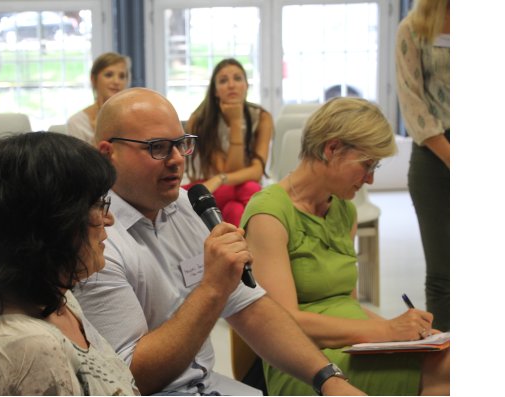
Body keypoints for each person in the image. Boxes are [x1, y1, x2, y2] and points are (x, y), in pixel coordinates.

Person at [73, 87, 365, 396]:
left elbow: (251, 309)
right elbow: (130, 377)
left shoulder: (186, 205)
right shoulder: (93, 240)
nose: (175, 160)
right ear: (108, 153)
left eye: (181, 144)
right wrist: (213, 287)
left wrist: (328, 378)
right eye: (157, 147)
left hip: (210, 385)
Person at [240, 97, 450, 395]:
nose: (371, 178)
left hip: (351, 346)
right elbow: (283, 322)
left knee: (446, 354)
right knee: (448, 369)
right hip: (303, 363)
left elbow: (346, 305)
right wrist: (386, 331)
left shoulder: (343, 211)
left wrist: (413, 334)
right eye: (367, 165)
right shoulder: (269, 213)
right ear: (332, 149)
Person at [0, 132, 139, 396]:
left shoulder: (56, 299)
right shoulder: (30, 346)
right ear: (54, 221)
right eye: (98, 205)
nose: (108, 220)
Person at [395, 0, 450, 331]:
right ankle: (448, 364)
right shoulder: (412, 28)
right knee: (443, 273)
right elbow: (411, 100)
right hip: (435, 155)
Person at [184, 58, 273, 226]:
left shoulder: (261, 117)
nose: (231, 85)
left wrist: (221, 178)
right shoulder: (199, 121)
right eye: (223, 80)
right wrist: (235, 122)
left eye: (238, 79)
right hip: (209, 186)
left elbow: (256, 171)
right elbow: (232, 171)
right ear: (215, 91)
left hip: (228, 187)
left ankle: (241, 246)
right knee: (250, 190)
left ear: (246, 86)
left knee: (236, 208)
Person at [66, 52, 131, 145]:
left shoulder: (133, 117)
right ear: (93, 79)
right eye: (109, 75)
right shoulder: (77, 123)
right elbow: (79, 160)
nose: (116, 81)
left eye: (122, 76)